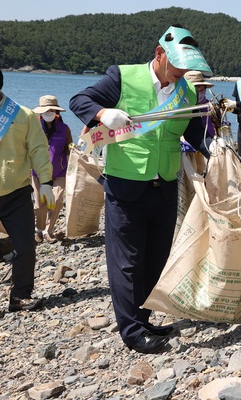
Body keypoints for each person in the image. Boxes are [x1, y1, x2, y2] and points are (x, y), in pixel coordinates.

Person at [69, 24, 213, 353]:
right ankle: (132, 332)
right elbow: (79, 100)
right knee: (128, 262)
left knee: (155, 258)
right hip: (126, 185)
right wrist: (103, 113)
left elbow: (194, 131)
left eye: (187, 68)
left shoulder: (186, 92)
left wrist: (214, 147)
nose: (182, 73)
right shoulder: (123, 76)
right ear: (159, 54)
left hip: (164, 185)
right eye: (177, 66)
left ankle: (144, 319)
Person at [0, 62, 54, 312]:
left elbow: (38, 150)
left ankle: (20, 296)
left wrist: (46, 182)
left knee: (25, 247)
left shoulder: (22, 115)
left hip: (16, 193)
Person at [31, 95, 73, 244]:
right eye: (45, 110)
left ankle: (49, 231)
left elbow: (69, 147)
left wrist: (75, 153)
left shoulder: (64, 128)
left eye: (51, 110)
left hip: (59, 171)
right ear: (40, 112)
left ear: (56, 112)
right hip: (38, 172)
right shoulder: (34, 127)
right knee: (40, 204)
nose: (48, 112)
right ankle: (39, 230)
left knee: (56, 200)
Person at [180, 71, 216, 154]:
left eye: (200, 88)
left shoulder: (212, 106)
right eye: (194, 88)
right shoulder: (181, 109)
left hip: (210, 148)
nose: (197, 91)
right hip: (187, 152)